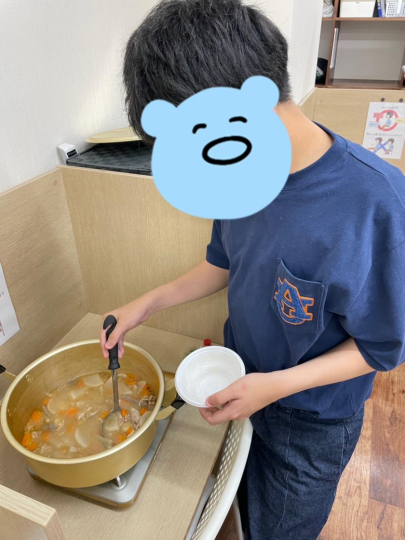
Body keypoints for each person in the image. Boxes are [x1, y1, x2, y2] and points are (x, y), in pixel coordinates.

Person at [100, 1, 405, 538]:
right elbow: (223, 263)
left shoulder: (374, 204)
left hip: (312, 420)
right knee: (242, 508)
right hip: (240, 379)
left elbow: (381, 348)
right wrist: (147, 303)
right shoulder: (234, 174)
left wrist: (275, 387)